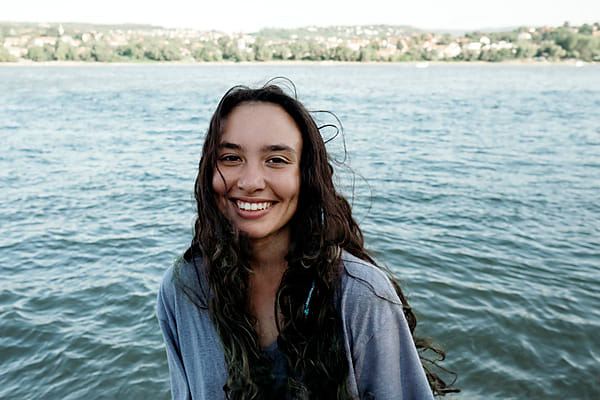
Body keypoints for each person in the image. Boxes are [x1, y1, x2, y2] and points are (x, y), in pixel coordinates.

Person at [157, 80, 456, 399]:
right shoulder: (183, 289)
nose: (251, 182)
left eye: (276, 160)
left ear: (307, 176)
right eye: (231, 157)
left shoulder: (361, 297)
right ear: (207, 171)